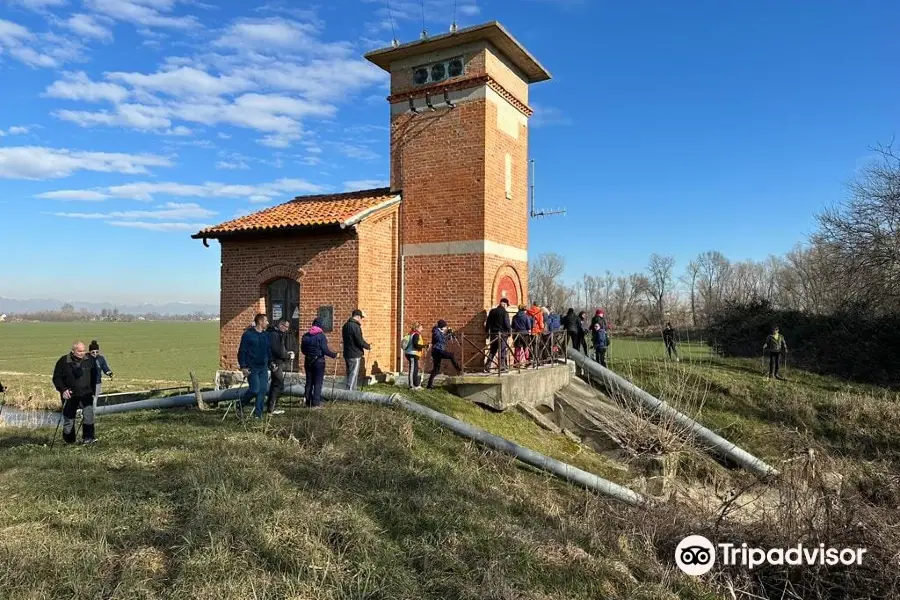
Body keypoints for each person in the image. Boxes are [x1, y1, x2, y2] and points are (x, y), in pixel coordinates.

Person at [52, 341, 99, 444]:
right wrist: (63, 390)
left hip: (86, 394)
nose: (82, 353)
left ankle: (88, 438)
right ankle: (69, 441)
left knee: (88, 416)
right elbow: (56, 378)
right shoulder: (63, 361)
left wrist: (93, 391)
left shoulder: (90, 360)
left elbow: (95, 375)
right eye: (79, 351)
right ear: (73, 351)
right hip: (70, 395)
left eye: (83, 350)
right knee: (69, 419)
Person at [237, 313, 272, 418]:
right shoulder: (248, 335)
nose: (267, 323)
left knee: (262, 391)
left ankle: (258, 415)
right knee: (254, 390)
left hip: (263, 367)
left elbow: (268, 351)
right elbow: (242, 351)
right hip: (252, 367)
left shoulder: (266, 335)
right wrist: (243, 367)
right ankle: (240, 404)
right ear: (260, 322)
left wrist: (271, 362)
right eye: (266, 321)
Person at [301, 317, 338, 407]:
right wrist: (334, 355)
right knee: (318, 382)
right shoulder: (321, 336)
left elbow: (303, 350)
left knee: (309, 381)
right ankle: (316, 403)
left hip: (308, 361)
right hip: (319, 362)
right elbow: (325, 350)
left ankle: (308, 401)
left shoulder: (305, 335)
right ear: (320, 325)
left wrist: (309, 355)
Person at [266, 318, 294, 415]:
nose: (286, 329)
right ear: (280, 324)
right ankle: (271, 408)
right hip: (275, 363)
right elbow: (277, 350)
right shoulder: (274, 334)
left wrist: (287, 353)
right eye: (285, 327)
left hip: (276, 362)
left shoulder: (278, 334)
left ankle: (271, 407)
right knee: (278, 384)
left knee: (276, 384)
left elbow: (281, 349)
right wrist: (288, 355)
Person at [426, 320, 462, 389]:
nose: (446, 328)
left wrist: (450, 334)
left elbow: (444, 339)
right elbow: (440, 339)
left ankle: (429, 386)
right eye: (445, 326)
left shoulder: (440, 332)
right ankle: (458, 369)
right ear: (442, 326)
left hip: (438, 351)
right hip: (437, 350)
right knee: (451, 355)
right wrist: (447, 334)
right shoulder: (435, 331)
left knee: (436, 370)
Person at [341, 309, 370, 390]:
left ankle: (351, 391)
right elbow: (359, 340)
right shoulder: (355, 326)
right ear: (357, 316)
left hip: (347, 353)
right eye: (361, 317)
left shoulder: (345, 325)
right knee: (353, 374)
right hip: (355, 354)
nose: (361, 319)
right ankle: (349, 393)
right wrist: (368, 346)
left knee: (349, 373)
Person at [484, 298, 512, 372]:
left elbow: (488, 323)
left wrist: (487, 332)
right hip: (502, 335)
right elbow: (507, 324)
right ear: (504, 304)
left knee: (492, 351)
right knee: (502, 351)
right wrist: (509, 332)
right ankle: (502, 366)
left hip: (493, 334)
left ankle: (487, 365)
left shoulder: (492, 311)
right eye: (506, 305)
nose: (506, 307)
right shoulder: (504, 312)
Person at [88, 340, 113, 408]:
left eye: (97, 352)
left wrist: (109, 373)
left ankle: (93, 413)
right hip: (87, 383)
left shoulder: (101, 359)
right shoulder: (85, 358)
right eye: (93, 352)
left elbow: (105, 368)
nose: (95, 353)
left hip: (97, 383)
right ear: (89, 351)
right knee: (87, 399)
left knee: (95, 399)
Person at [403, 323, 428, 389]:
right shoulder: (416, 334)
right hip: (412, 354)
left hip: (414, 354)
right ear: (417, 328)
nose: (422, 328)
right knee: (413, 370)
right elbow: (415, 345)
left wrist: (423, 346)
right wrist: (424, 346)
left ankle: (415, 385)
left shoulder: (415, 334)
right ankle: (411, 385)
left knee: (415, 369)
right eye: (421, 327)